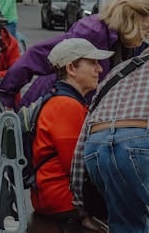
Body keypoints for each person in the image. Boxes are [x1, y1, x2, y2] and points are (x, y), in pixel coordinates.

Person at [0, 0, 149, 109]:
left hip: (81, 106)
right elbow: (38, 56)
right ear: (130, 22)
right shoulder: (92, 32)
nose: (146, 35)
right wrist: (7, 97)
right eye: (145, 29)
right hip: (59, 103)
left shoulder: (132, 42)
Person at [27, 39, 112, 233]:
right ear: (71, 68)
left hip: (52, 198)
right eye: (93, 63)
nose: (99, 69)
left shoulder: (62, 100)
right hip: (62, 201)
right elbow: (77, 166)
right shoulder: (66, 105)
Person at [71, 47, 149, 231]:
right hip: (140, 142)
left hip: (97, 146)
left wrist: (81, 205)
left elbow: (83, 138)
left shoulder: (120, 70)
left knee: (126, 224)